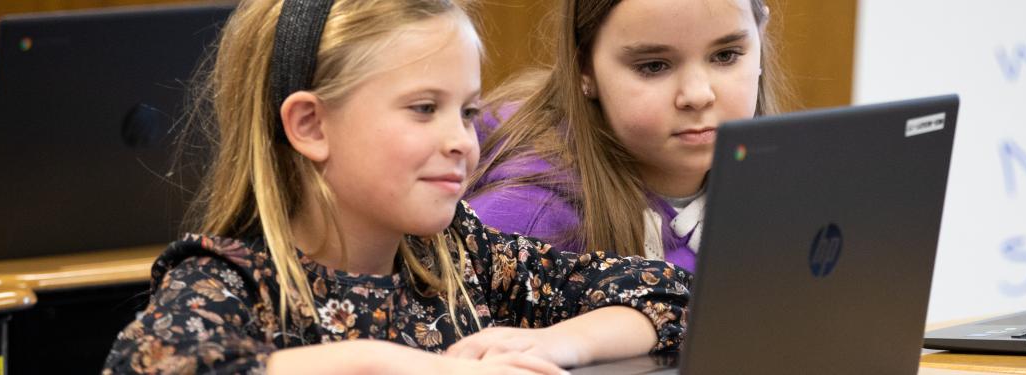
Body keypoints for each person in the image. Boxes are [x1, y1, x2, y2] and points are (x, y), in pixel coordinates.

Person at [102, 0, 688, 373]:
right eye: (424, 108)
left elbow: (671, 294)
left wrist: (561, 345)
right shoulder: (229, 280)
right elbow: (153, 365)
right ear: (311, 126)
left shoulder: (460, 257)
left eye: (466, 112)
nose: (462, 140)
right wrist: (393, 365)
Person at [465, 0, 786, 272]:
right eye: (655, 66)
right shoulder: (524, 223)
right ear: (583, 68)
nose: (698, 95)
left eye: (726, 55)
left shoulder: (793, 191)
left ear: (759, 35)